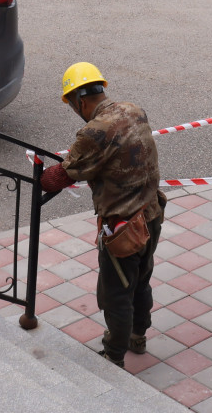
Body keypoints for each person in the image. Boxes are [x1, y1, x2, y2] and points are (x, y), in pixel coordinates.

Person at [39, 63, 164, 366]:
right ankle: (138, 335)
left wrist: (38, 175)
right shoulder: (134, 110)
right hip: (152, 214)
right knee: (141, 280)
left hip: (122, 228)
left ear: (79, 100)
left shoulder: (94, 131)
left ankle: (114, 354)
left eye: (71, 104)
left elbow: (58, 177)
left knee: (117, 293)